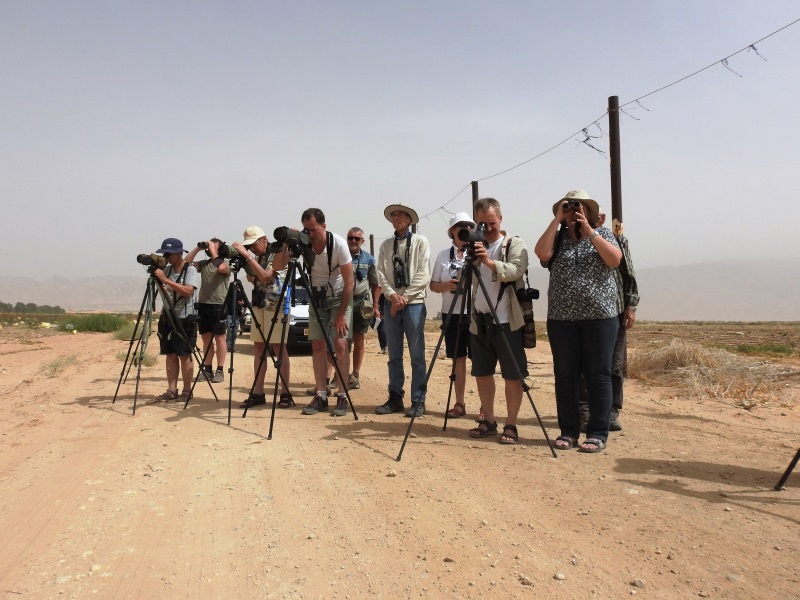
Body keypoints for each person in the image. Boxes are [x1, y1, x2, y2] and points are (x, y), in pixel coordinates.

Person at [534, 190, 622, 453]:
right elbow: (541, 253)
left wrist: (589, 229)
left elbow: (614, 260)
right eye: (569, 207)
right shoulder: (558, 237)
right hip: (562, 319)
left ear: (590, 211)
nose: (574, 211)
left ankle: (597, 432)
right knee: (565, 376)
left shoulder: (603, 234)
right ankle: (568, 431)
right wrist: (558, 220)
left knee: (598, 374)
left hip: (600, 317)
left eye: (579, 207)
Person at [465, 199, 529, 444]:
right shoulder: (475, 246)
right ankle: (488, 419)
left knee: (512, 375)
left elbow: (515, 270)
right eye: (482, 223)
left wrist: (488, 261)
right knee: (482, 372)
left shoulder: (513, 243)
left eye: (491, 223)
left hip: (506, 321)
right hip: (479, 321)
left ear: (500, 219)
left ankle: (511, 424)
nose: (487, 228)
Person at [578, 207, 640, 432]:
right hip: (587, 314)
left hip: (615, 310)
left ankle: (611, 412)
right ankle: (584, 412)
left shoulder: (617, 241)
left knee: (614, 365)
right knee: (584, 366)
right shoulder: (576, 239)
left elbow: (628, 274)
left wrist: (630, 306)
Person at [375, 203, 431, 417]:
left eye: (401, 215)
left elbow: (423, 274)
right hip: (392, 303)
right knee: (394, 354)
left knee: (417, 354)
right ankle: (395, 397)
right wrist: (392, 296)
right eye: (394, 215)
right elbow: (381, 274)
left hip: (414, 303)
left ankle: (418, 400)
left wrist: (404, 298)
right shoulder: (386, 246)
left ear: (410, 220)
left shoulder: (420, 242)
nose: (397, 218)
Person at [298, 208, 355, 417]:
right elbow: (278, 266)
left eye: (313, 229)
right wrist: (288, 244)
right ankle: (321, 394)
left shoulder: (338, 244)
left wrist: (341, 314)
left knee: (340, 343)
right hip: (316, 297)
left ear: (324, 225)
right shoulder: (304, 244)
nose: (310, 234)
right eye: (306, 230)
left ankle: (342, 395)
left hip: (339, 296)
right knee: (317, 344)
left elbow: (350, 282)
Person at [232, 226, 292, 409]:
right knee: (259, 347)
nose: (251, 249)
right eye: (248, 246)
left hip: (276, 305)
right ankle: (258, 392)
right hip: (259, 304)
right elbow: (256, 276)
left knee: (278, 347)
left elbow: (267, 275)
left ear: (264, 240)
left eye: (253, 245)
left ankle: (285, 392)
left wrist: (248, 257)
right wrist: (249, 265)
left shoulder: (277, 252)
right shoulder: (257, 256)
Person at [429, 212, 476, 418]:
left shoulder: (477, 253)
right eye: (460, 226)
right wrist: (447, 285)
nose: (465, 229)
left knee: (480, 360)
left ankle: (485, 407)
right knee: (458, 359)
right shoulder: (442, 256)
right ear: (452, 231)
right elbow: (432, 285)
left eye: (468, 226)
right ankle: (459, 403)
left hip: (474, 313)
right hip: (452, 313)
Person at [149, 238, 200, 404]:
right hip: (168, 316)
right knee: (170, 354)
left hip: (185, 318)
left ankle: (186, 390)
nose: (167, 257)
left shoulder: (190, 270)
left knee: (184, 355)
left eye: (169, 254)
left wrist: (166, 280)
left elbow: (188, 291)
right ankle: (172, 389)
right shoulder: (168, 269)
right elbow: (168, 291)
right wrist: (162, 285)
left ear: (179, 253)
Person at [184, 239, 230, 384]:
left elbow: (222, 269)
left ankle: (220, 370)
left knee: (220, 338)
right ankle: (207, 370)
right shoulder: (204, 264)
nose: (210, 247)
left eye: (214, 245)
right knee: (206, 339)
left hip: (219, 305)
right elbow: (186, 263)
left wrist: (214, 250)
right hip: (203, 304)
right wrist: (198, 248)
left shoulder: (225, 263)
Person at [346, 227, 381, 390]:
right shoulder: (341, 256)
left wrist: (375, 306)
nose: (353, 241)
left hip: (361, 303)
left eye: (356, 239)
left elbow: (375, 284)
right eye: (350, 238)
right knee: (343, 339)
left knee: (359, 338)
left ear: (362, 241)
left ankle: (355, 374)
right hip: (343, 302)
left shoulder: (369, 259)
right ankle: (341, 374)